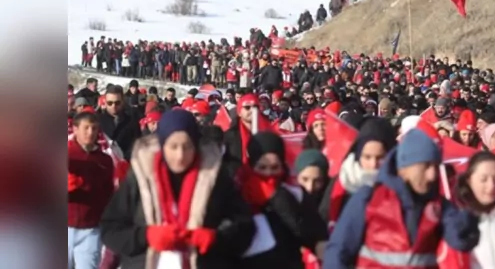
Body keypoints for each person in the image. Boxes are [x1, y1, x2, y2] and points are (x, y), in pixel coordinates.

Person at [100, 109, 254, 269]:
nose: (180, 155)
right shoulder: (141, 177)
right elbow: (110, 229)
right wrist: (146, 236)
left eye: (187, 147)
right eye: (173, 147)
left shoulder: (215, 177)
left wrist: (216, 238)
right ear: (162, 144)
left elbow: (244, 227)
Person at [323, 128, 480, 268]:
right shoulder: (369, 199)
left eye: (435, 166)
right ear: (404, 169)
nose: (432, 175)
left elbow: (460, 241)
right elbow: (338, 251)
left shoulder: (438, 205)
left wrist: (468, 219)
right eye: (425, 167)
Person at [238, 132, 328, 269]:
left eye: (274, 167)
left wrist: (276, 197)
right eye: (262, 167)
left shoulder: (295, 192)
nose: (268, 173)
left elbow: (314, 234)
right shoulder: (237, 192)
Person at [320, 117, 397, 228]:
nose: (373, 164)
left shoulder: (400, 182)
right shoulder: (343, 179)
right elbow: (324, 219)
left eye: (380, 157)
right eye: (367, 157)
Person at [68, 111, 115, 269]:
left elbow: (108, 192)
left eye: (94, 128)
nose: (90, 132)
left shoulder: (105, 160)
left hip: (91, 228)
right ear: (75, 129)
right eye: (86, 128)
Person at [98, 84, 142, 161]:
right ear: (105, 103)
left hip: (125, 164)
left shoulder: (132, 121)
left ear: (123, 102)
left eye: (117, 103)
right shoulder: (97, 120)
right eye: (110, 103)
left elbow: (137, 144)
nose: (113, 106)